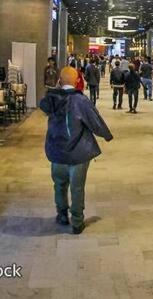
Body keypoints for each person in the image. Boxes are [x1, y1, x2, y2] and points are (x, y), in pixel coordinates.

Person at [39, 67, 113, 234]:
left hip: (56, 151)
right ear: (77, 81)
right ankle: (77, 222)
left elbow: (43, 106)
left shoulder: (52, 99)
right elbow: (95, 121)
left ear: (59, 80)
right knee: (77, 188)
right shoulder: (81, 101)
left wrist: (54, 90)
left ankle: (62, 215)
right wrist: (106, 135)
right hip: (78, 153)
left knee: (59, 185)